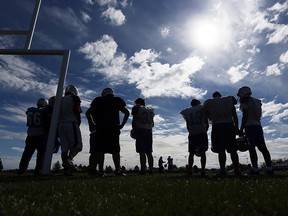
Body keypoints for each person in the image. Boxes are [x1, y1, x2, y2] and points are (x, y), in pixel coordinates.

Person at [85, 88, 129, 176]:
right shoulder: (117, 100)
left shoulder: (98, 100)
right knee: (116, 150)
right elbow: (127, 113)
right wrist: (122, 125)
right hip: (113, 127)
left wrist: (92, 124)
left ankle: (101, 171)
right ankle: (117, 170)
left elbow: (88, 113)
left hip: (101, 127)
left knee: (100, 150)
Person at [203, 91, 241, 176]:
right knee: (233, 150)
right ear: (220, 95)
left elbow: (205, 117)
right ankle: (237, 170)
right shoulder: (228, 99)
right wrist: (236, 127)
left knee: (221, 150)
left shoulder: (209, 102)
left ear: (213, 96)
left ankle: (223, 170)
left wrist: (205, 128)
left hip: (217, 126)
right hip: (229, 125)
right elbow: (234, 116)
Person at [237, 86, 273, 175]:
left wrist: (241, 128)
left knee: (251, 148)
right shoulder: (257, 101)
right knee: (263, 148)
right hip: (258, 125)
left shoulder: (245, 102)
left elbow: (245, 116)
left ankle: (255, 168)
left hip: (250, 126)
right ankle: (269, 168)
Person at [17, 98, 48, 175]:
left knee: (26, 154)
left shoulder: (30, 109)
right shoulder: (43, 111)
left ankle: (21, 170)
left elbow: (27, 112)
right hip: (40, 135)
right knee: (40, 154)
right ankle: (38, 171)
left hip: (30, 135)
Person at [58, 85, 83, 176]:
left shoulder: (59, 99)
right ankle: (69, 159)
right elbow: (77, 111)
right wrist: (78, 123)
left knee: (64, 149)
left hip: (60, 125)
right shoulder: (74, 98)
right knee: (78, 146)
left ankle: (67, 170)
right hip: (71, 123)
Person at [180, 99, 209, 176]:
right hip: (201, 131)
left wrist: (190, 131)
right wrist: (205, 130)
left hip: (192, 132)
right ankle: (203, 170)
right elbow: (206, 122)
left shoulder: (187, 111)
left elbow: (188, 124)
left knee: (191, 153)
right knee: (203, 152)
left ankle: (190, 170)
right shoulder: (202, 108)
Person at [131, 98, 155, 175]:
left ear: (138, 103)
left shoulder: (137, 108)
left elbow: (134, 120)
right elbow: (153, 124)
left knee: (142, 152)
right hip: (149, 130)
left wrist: (134, 130)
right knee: (149, 152)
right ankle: (151, 170)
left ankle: (143, 170)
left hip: (141, 130)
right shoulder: (150, 110)